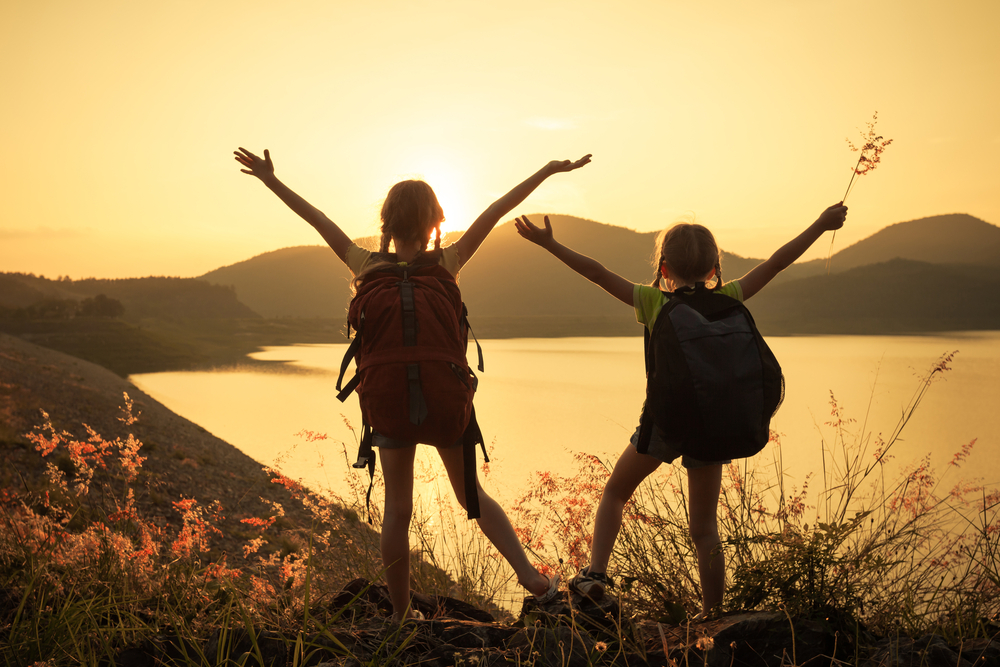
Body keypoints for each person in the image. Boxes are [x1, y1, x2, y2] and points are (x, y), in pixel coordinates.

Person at [234, 147, 591, 622]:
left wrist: (270, 180)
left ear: (386, 222)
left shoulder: (364, 265)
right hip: (446, 405)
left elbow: (315, 217)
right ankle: (535, 582)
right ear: (434, 223)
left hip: (390, 403)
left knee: (397, 509)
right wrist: (547, 170)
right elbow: (498, 209)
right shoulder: (447, 262)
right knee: (471, 497)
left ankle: (402, 617)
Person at [514, 202, 848, 617]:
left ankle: (596, 576)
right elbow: (778, 261)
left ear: (664, 267)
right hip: (712, 422)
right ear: (714, 269)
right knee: (705, 528)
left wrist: (551, 245)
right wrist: (821, 223)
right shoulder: (730, 296)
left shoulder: (654, 302)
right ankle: (713, 614)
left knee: (617, 491)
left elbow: (597, 273)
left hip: (665, 424)